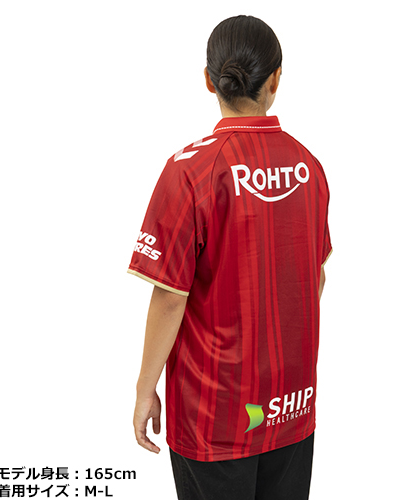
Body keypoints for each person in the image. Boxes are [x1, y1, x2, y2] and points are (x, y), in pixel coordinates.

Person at [128, 15, 332, 500]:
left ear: (208, 79)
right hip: (291, 406)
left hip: (213, 416)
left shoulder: (190, 170)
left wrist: (144, 387)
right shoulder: (309, 167)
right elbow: (316, 277)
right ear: (276, 80)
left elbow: (170, 296)